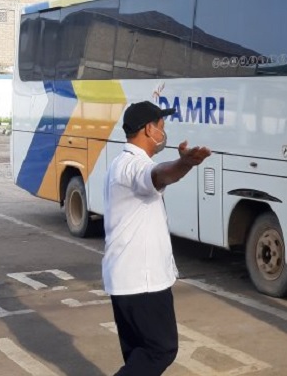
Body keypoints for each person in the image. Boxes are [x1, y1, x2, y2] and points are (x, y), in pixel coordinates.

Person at [103, 101, 211, 376]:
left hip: (126, 278)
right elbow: (159, 175)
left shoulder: (120, 162)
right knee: (161, 349)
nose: (164, 132)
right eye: (162, 127)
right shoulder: (133, 166)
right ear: (149, 129)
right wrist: (184, 164)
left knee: (138, 356)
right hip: (142, 281)